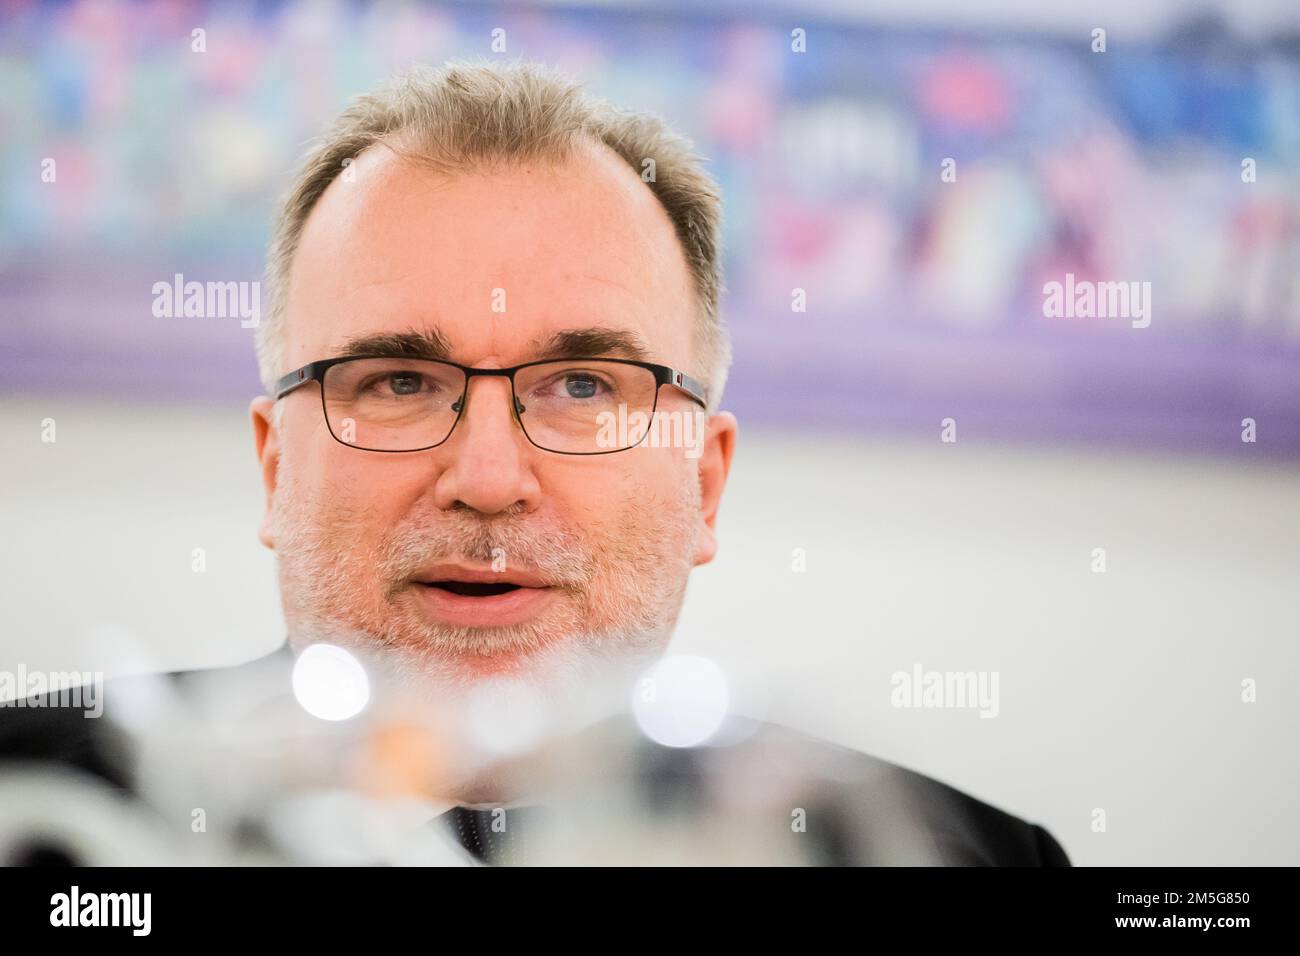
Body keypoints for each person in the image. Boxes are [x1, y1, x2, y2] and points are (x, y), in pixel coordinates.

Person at [0, 60, 1068, 866]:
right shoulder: (46, 822)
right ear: (276, 467)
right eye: (399, 381)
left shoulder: (942, 857)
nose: (489, 476)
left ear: (702, 482)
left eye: (585, 386)